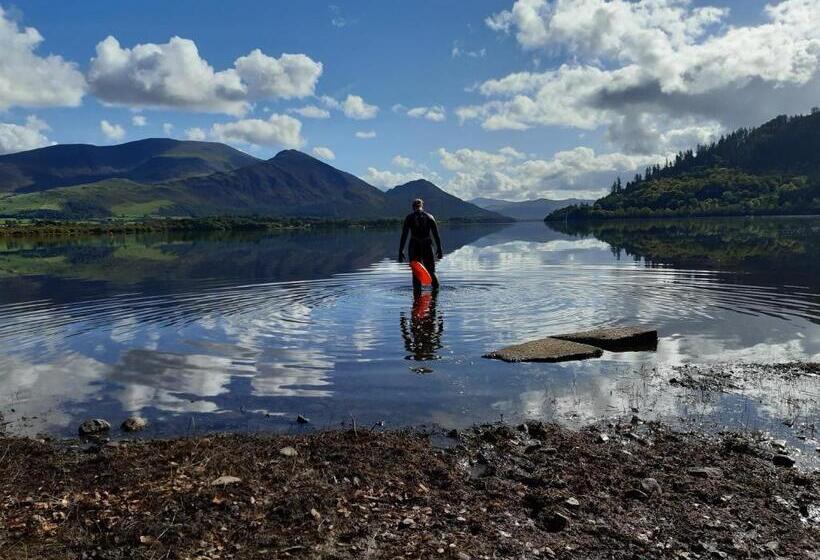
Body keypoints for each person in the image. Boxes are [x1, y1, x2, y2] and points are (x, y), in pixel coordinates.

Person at [398, 198, 442, 292]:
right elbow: (436, 235)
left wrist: (401, 251)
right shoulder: (429, 217)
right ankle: (436, 295)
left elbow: (404, 235)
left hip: (414, 245)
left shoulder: (409, 218)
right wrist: (439, 249)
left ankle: (417, 295)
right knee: (431, 271)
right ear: (422, 206)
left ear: (412, 207)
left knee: (416, 273)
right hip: (427, 244)